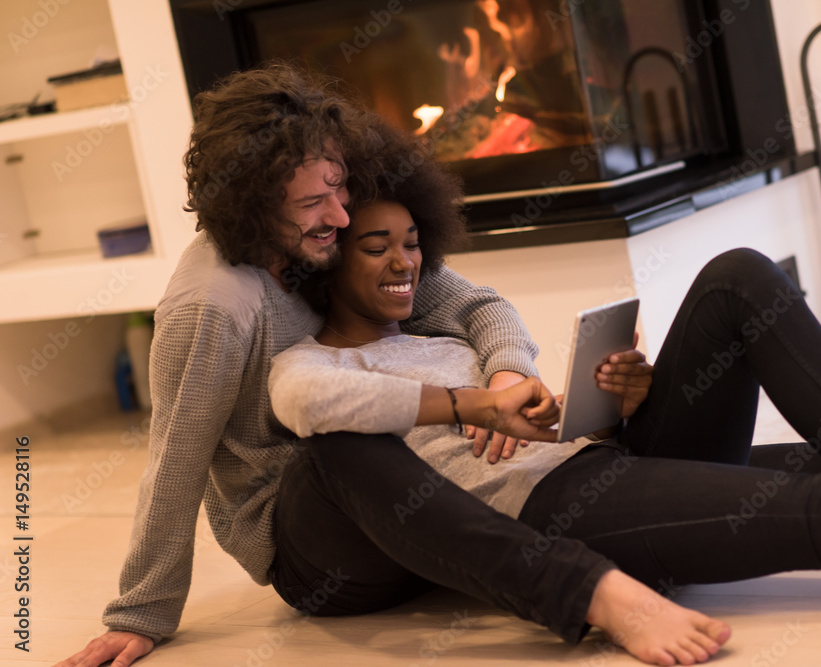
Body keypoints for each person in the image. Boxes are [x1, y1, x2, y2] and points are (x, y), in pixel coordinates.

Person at [268, 187, 821, 665]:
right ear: (328, 267)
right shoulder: (309, 367)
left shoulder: (444, 341)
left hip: (596, 458)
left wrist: (621, 402)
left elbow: (527, 422)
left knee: (739, 276)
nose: (404, 261)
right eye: (376, 247)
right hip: (553, 512)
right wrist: (470, 404)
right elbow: (306, 405)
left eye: (410, 242)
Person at [57, 62, 628, 667]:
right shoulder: (214, 308)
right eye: (312, 201)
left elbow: (477, 307)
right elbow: (176, 462)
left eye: (339, 185)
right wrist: (141, 615)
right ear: (252, 206)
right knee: (337, 442)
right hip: (317, 542)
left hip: (403, 509)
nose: (341, 214)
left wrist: (507, 373)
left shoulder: (324, 240)